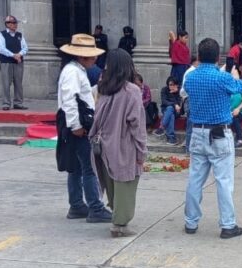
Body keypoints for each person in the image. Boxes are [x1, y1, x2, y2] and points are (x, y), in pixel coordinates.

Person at [184, 38, 242, 239]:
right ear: (218, 57)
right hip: (219, 132)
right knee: (224, 181)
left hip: (197, 131)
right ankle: (227, 224)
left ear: (199, 56)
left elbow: (187, 92)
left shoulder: (190, 77)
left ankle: (191, 221)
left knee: (195, 179)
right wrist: (234, 74)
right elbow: (240, 88)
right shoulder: (222, 77)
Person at [89, 49, 147, 238]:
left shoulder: (103, 89)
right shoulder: (132, 91)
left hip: (105, 145)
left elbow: (97, 117)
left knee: (112, 182)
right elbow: (137, 124)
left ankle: (116, 216)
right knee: (126, 183)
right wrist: (142, 151)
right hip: (124, 145)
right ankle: (120, 224)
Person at [55, 33, 112, 223]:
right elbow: (70, 101)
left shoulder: (75, 70)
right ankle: (95, 206)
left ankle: (77, 204)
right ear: (82, 56)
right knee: (89, 167)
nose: (95, 59)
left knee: (77, 167)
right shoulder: (73, 72)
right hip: (77, 123)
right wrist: (76, 125)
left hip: (76, 121)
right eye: (92, 55)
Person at [0, 15, 28, 111]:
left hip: (18, 62)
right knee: (6, 83)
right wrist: (13, 55)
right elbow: (1, 49)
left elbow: (25, 48)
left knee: (18, 83)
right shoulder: (2, 34)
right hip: (6, 62)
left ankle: (18, 103)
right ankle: (6, 103)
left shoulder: (19, 35)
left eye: (16, 23)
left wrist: (19, 54)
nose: (15, 25)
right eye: (13, 23)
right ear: (7, 24)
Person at [225, 57, 242, 147]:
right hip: (228, 111)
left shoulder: (241, 85)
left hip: (240, 111)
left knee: (235, 119)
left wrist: (238, 109)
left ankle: (239, 139)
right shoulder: (226, 84)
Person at [156, 76, 183, 146]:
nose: (172, 87)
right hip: (166, 110)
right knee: (171, 113)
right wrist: (174, 104)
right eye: (170, 85)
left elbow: (180, 104)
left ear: (177, 85)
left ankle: (162, 127)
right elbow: (164, 101)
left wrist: (174, 94)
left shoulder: (180, 91)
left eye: (174, 85)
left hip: (177, 111)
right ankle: (171, 138)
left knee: (171, 111)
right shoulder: (164, 90)